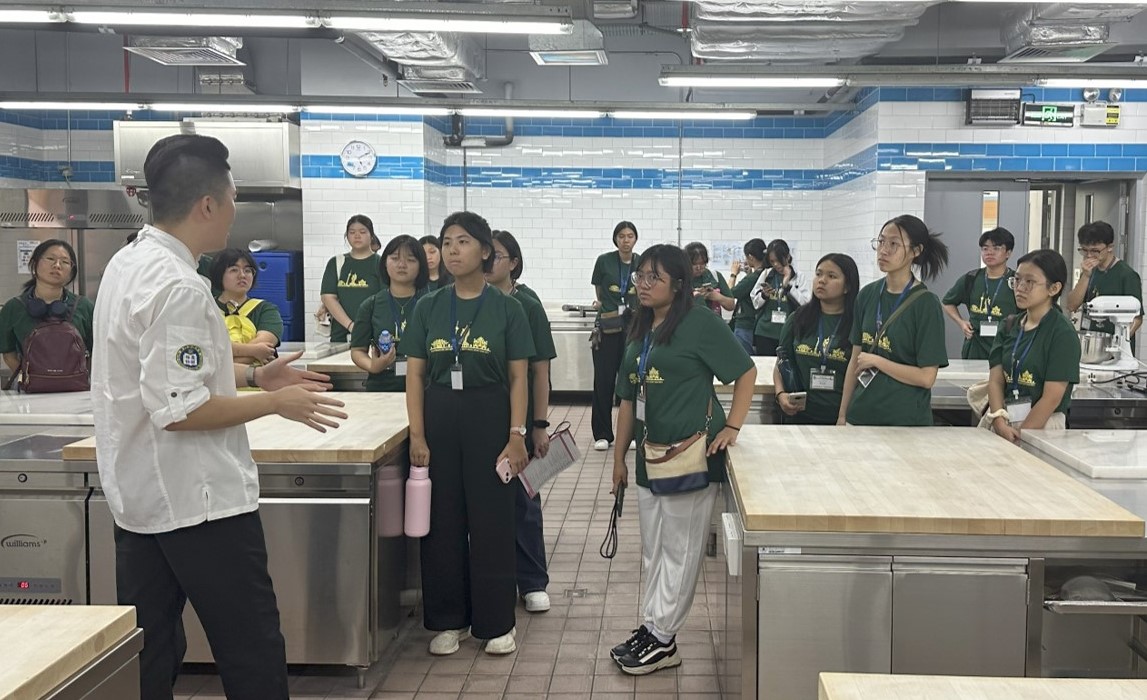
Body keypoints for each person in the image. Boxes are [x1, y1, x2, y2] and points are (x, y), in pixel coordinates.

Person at [91, 134, 346, 700]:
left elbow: (162, 371)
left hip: (139, 499)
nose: (233, 211)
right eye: (232, 199)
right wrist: (276, 403)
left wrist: (254, 377)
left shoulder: (128, 263)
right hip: (199, 503)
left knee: (150, 649)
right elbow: (179, 410)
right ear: (207, 204)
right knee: (250, 646)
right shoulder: (179, 285)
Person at [611, 244, 755, 675]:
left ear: (678, 283)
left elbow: (744, 371)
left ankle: (664, 638)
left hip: (690, 456)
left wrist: (732, 426)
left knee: (681, 549)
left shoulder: (699, 323)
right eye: (640, 276)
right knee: (654, 549)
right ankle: (652, 625)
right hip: (648, 457)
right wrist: (619, 460)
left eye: (653, 277)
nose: (643, 284)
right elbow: (626, 400)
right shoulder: (640, 326)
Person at [401, 211, 534, 656]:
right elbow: (415, 375)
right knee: (443, 521)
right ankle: (448, 620)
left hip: (489, 413)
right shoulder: (428, 306)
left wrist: (517, 434)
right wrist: (417, 435)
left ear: (485, 251)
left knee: (492, 520)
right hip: (440, 414)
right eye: (447, 242)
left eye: (463, 241)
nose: (452, 250)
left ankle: (496, 623)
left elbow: (519, 377)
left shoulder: (508, 309)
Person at [489, 229, 557, 614]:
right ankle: (493, 578)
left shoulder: (527, 305)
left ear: (513, 262)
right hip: (483, 415)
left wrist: (539, 424)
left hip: (522, 419)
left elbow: (540, 371)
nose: (488, 262)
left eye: (496, 255)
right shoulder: (469, 302)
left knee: (524, 499)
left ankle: (532, 581)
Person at [839, 215, 950, 427]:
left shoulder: (926, 303)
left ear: (916, 251)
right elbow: (855, 361)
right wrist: (843, 415)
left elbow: (926, 378)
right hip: (860, 416)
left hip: (905, 422)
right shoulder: (867, 295)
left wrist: (878, 361)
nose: (883, 250)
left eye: (893, 244)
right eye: (881, 241)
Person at [986, 249, 1079, 442]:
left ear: (1053, 288)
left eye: (1029, 282)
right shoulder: (1008, 325)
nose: (1020, 287)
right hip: (1004, 420)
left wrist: (1021, 436)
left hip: (1043, 426)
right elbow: (995, 380)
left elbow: (1051, 398)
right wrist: (998, 421)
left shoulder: (1062, 333)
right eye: (1017, 280)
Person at [774, 254, 860, 425]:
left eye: (831, 276)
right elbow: (781, 362)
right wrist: (780, 394)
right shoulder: (798, 318)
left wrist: (843, 416)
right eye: (818, 274)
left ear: (847, 286)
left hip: (841, 417)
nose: (822, 280)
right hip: (799, 413)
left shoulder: (857, 324)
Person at [0, 239, 94, 376]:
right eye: (50, 259)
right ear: (34, 264)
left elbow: (96, 350)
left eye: (65, 262)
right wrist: (27, 378)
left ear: (71, 271)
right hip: (29, 388)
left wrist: (81, 376)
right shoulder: (14, 307)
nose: (57, 265)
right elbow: (8, 354)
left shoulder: (84, 306)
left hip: (77, 387)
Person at [350, 235, 430, 392]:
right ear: (385, 263)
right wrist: (373, 366)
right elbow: (357, 351)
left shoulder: (430, 304)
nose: (402, 265)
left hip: (425, 387)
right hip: (382, 386)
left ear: (421, 266)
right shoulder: (371, 305)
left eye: (410, 260)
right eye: (394, 258)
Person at [590, 221, 641, 451]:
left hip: (634, 328)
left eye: (630, 236)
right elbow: (600, 292)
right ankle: (602, 434)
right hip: (608, 327)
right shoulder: (604, 261)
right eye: (621, 236)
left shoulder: (642, 262)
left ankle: (631, 433)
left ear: (635, 239)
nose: (626, 240)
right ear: (615, 239)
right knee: (603, 381)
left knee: (631, 381)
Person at [942, 227, 1017, 360]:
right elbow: (947, 302)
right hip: (975, 347)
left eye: (996, 248)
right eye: (985, 248)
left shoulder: (1017, 281)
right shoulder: (971, 278)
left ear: (1008, 253)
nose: (989, 253)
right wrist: (961, 322)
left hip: (1006, 347)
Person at [1065, 220, 1143, 347]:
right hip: (1091, 340)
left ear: (1110, 247)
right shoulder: (1089, 271)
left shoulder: (1127, 275)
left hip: (1115, 344)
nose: (1089, 255)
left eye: (1095, 251)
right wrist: (1085, 276)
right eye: (1084, 250)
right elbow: (1071, 305)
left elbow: (1137, 318)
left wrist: (1120, 341)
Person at [210, 248, 283, 366]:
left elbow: (265, 347)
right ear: (219, 275)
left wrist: (219, 365)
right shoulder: (207, 307)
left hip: (258, 377)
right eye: (234, 270)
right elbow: (206, 347)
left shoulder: (266, 310)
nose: (242, 275)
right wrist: (255, 351)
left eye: (248, 270)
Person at [320, 215, 382, 342]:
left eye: (362, 232)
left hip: (373, 335)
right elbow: (328, 297)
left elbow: (385, 299)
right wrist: (351, 326)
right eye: (352, 232)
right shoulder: (336, 263)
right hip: (340, 336)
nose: (357, 236)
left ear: (371, 236)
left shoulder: (380, 263)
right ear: (347, 236)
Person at [750, 239, 811, 356]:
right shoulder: (767, 274)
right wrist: (764, 295)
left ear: (787, 257)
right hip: (765, 331)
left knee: (786, 365)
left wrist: (788, 285)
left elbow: (805, 304)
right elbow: (755, 301)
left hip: (789, 332)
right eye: (772, 261)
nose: (776, 264)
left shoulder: (799, 276)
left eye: (779, 260)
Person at [722, 238, 768, 356]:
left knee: (744, 357)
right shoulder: (766, 273)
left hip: (745, 324)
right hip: (757, 324)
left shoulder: (754, 277)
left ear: (751, 257)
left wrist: (733, 274)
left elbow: (729, 293)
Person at [684, 242, 730, 315]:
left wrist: (717, 296)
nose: (698, 268)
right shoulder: (680, 279)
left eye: (702, 264)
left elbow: (731, 305)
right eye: (694, 264)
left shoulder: (715, 276)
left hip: (712, 319)